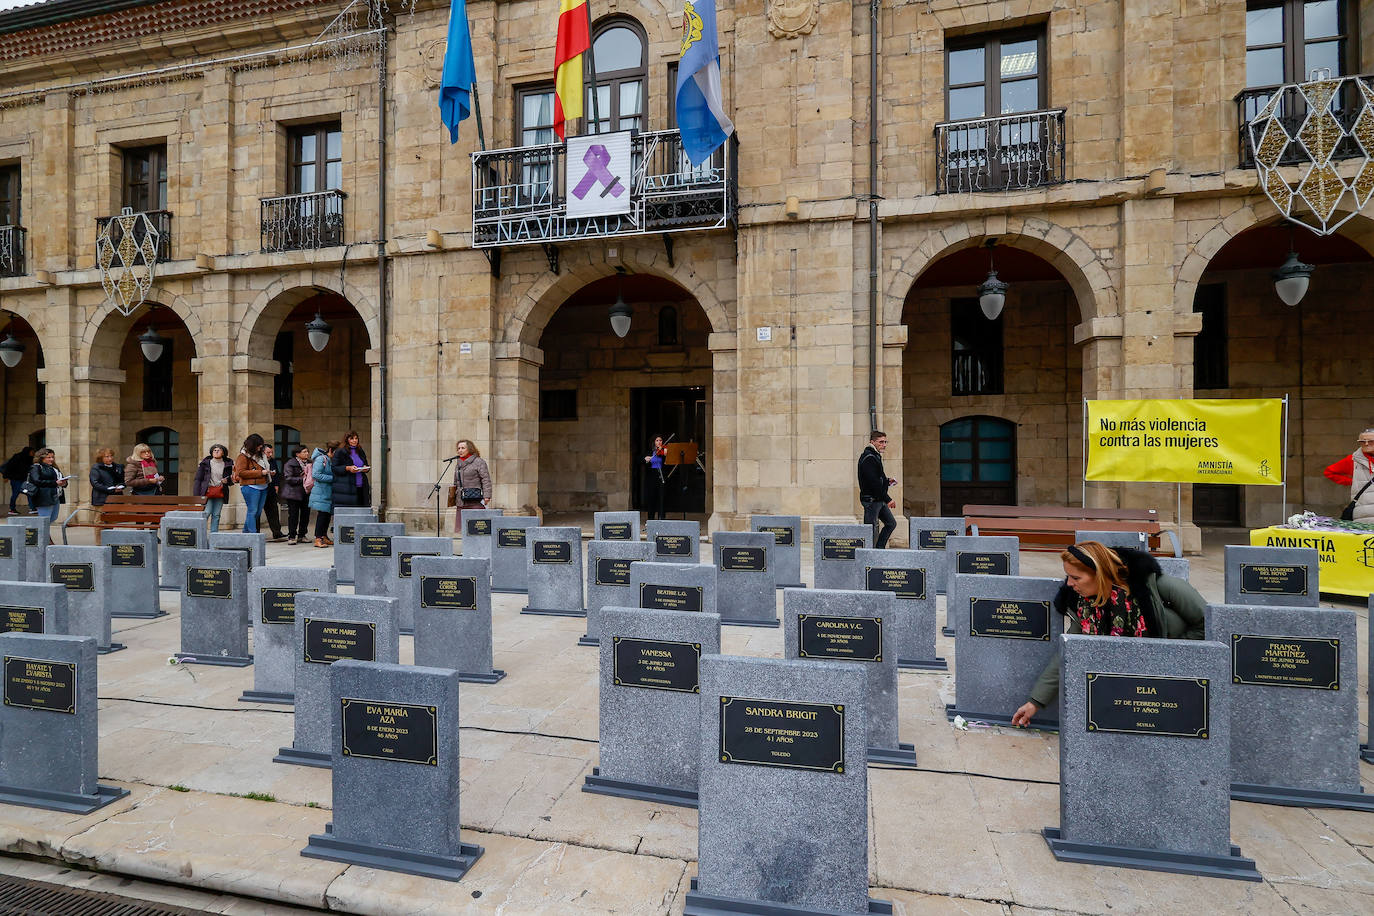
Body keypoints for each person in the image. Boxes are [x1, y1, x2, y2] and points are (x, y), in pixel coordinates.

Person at [1010, 541, 1206, 727]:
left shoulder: (1160, 586)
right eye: (1068, 576)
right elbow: (1069, 653)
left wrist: (1171, 653)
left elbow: (1209, 624)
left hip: (1172, 683)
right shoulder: (1085, 607)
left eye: (1076, 578)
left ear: (1101, 574)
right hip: (1126, 692)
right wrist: (1035, 702)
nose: (1068, 584)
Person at [1324, 427, 1374, 522]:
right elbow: (1329, 472)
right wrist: (1351, 482)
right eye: (1362, 441)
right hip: (1363, 515)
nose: (1366, 444)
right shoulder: (1352, 460)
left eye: (1371, 441)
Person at [858, 430, 897, 549]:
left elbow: (878, 477)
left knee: (891, 523)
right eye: (881, 442)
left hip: (879, 499)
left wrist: (887, 481)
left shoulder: (875, 456)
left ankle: (879, 550)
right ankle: (870, 554)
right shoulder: (869, 457)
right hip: (871, 500)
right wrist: (888, 499)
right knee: (871, 530)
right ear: (872, 442)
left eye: (885, 442)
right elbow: (873, 482)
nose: (884, 444)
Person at [232, 434, 271, 534]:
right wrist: (260, 473)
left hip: (263, 486)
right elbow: (240, 473)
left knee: (257, 512)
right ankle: (253, 534)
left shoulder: (260, 456)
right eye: (258, 445)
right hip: (250, 487)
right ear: (252, 445)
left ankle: (246, 532)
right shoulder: (242, 456)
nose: (260, 448)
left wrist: (268, 472)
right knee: (252, 511)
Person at [452, 439, 492, 531]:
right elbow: (456, 482)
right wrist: (453, 497)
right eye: (458, 448)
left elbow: (486, 480)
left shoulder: (479, 462)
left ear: (469, 449)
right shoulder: (458, 463)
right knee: (461, 529)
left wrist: (487, 496)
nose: (460, 450)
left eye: (463, 448)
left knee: (477, 529)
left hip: (474, 499)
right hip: (461, 501)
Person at [25, 448, 67, 534]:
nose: (51, 459)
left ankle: (42, 537)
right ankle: (44, 539)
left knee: (53, 518)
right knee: (44, 520)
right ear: (42, 457)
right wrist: (54, 483)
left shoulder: (54, 468)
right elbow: (36, 481)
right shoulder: (36, 467)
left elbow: (60, 479)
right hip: (44, 497)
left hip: (56, 496)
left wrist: (64, 483)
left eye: (52, 457)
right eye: (48, 457)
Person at [192, 444, 232, 532]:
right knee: (207, 512)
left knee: (217, 515)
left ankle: (214, 535)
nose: (216, 451)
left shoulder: (228, 464)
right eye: (214, 450)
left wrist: (227, 480)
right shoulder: (205, 463)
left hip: (221, 491)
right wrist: (196, 495)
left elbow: (232, 479)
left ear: (223, 453)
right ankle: (199, 533)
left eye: (219, 450)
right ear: (211, 452)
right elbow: (198, 479)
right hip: (208, 491)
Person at [280, 444, 313, 544]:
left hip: (306, 492)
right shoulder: (290, 463)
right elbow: (288, 478)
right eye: (304, 452)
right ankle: (292, 536)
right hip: (293, 493)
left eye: (307, 451)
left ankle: (302, 535)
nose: (307, 453)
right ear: (297, 454)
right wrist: (303, 479)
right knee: (293, 515)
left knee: (305, 515)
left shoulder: (310, 463)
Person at [309, 440, 339, 548]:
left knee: (326, 515)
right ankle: (318, 538)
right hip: (321, 492)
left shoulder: (329, 459)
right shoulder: (321, 459)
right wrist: (333, 478)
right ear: (331, 450)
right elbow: (316, 474)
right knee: (322, 515)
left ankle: (324, 536)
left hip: (327, 492)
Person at [331, 430, 371, 508]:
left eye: (356, 438)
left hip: (362, 486)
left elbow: (365, 463)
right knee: (350, 512)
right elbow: (334, 468)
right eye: (352, 438)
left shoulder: (360, 450)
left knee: (362, 510)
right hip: (347, 487)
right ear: (347, 440)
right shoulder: (340, 451)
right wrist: (348, 468)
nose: (354, 440)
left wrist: (366, 468)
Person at [261, 444, 285, 541]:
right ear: (262, 452)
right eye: (268, 452)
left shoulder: (272, 460)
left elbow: (277, 474)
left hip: (270, 488)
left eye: (271, 452)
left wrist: (276, 485)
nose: (270, 454)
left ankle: (277, 532)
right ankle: (255, 533)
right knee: (257, 511)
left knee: (273, 510)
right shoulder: (259, 461)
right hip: (260, 487)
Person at [3, 446, 34, 514]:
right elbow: (9, 467)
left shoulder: (29, 458)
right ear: (28, 452)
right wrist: (5, 476)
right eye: (32, 452)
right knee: (15, 493)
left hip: (24, 479)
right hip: (16, 479)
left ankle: (32, 508)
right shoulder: (17, 457)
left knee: (29, 492)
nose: (33, 453)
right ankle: (12, 509)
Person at [642, 436, 667, 521]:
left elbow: (667, 462)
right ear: (654, 442)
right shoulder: (649, 452)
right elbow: (640, 460)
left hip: (661, 477)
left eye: (661, 440)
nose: (659, 442)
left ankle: (661, 519)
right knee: (651, 498)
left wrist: (665, 453)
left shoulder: (663, 451)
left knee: (662, 499)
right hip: (652, 477)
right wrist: (645, 459)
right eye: (657, 440)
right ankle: (650, 519)